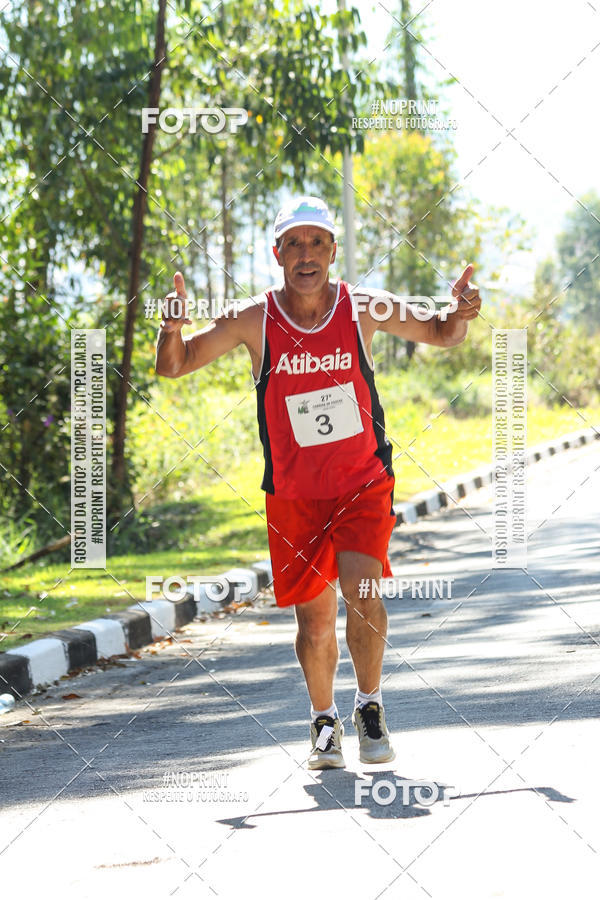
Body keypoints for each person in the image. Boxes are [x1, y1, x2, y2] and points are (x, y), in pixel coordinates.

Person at [155, 196, 482, 769]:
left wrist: (459, 311)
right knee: (314, 621)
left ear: (333, 251)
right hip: (294, 494)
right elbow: (175, 364)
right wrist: (170, 327)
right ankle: (323, 721)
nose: (306, 255)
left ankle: (371, 706)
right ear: (277, 253)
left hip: (362, 482)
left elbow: (440, 332)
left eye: (317, 243)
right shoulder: (253, 318)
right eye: (294, 244)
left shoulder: (362, 307)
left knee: (364, 591)